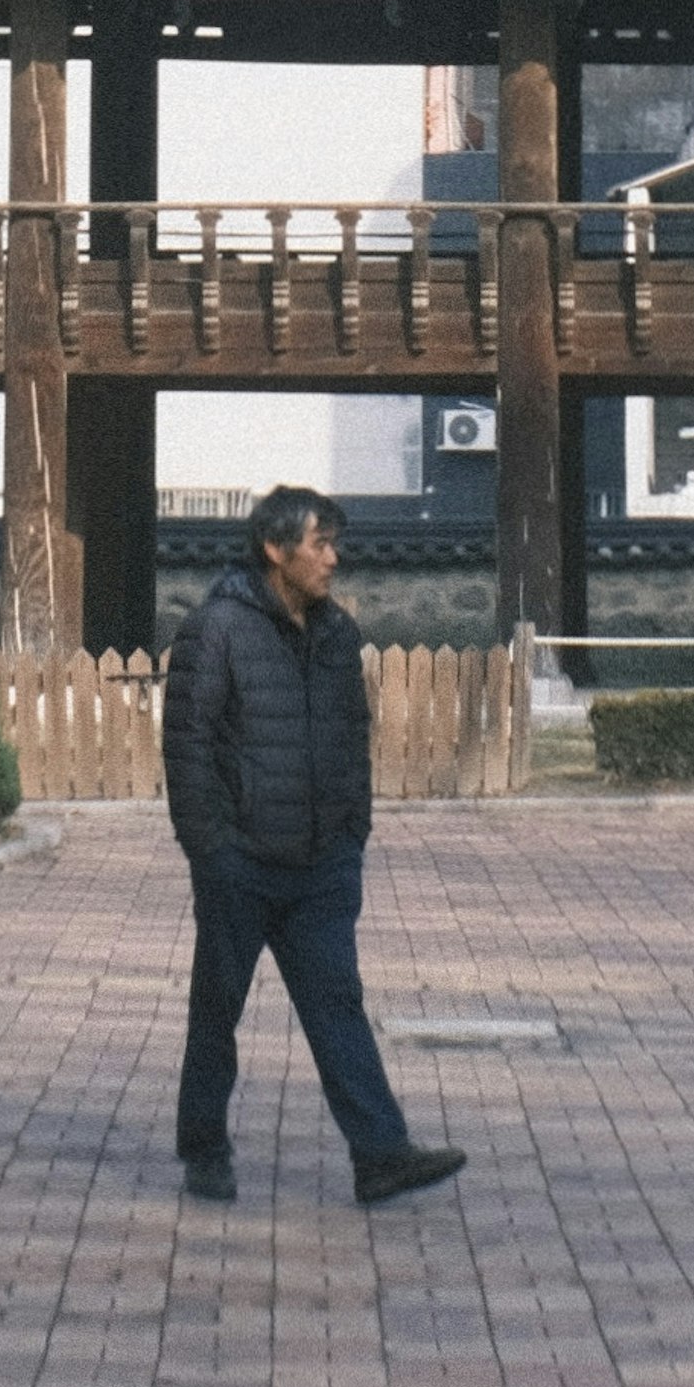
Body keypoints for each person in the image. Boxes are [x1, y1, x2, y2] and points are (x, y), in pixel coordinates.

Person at [159, 483, 462, 1210]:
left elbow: (353, 740)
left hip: (322, 864)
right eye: (319, 544)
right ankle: (204, 1148)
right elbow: (188, 750)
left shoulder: (337, 635)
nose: (333, 558)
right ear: (275, 549)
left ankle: (381, 1156)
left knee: (337, 1005)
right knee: (217, 1009)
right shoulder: (217, 629)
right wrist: (214, 852)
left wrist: (352, 837)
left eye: (334, 543)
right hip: (242, 865)